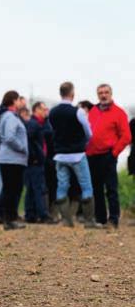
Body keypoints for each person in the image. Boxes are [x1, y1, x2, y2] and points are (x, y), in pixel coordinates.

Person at [48, 82, 99, 228]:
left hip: (60, 155)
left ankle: (66, 220)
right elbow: (88, 132)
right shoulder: (78, 112)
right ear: (72, 93)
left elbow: (53, 130)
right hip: (77, 154)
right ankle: (89, 221)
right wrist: (83, 142)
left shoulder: (53, 112)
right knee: (86, 186)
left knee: (62, 186)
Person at [86, 84, 132, 228]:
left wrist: (114, 153)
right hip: (92, 155)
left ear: (111, 94)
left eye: (106, 92)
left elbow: (126, 136)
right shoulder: (93, 110)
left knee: (111, 189)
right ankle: (100, 219)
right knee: (96, 188)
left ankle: (113, 220)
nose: (103, 95)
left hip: (108, 155)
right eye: (100, 93)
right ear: (97, 95)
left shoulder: (119, 113)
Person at [0, 90, 28, 230]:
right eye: (19, 100)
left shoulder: (9, 116)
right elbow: (9, 137)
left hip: (12, 159)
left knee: (12, 189)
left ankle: (10, 218)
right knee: (12, 190)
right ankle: (9, 219)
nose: (22, 102)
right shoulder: (10, 117)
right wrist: (22, 147)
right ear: (14, 101)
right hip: (12, 159)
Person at [24, 102, 56, 224]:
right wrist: (34, 157)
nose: (46, 112)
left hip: (36, 161)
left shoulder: (38, 124)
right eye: (44, 109)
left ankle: (30, 214)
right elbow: (28, 141)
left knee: (32, 189)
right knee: (39, 188)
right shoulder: (33, 124)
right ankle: (43, 215)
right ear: (36, 110)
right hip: (35, 162)